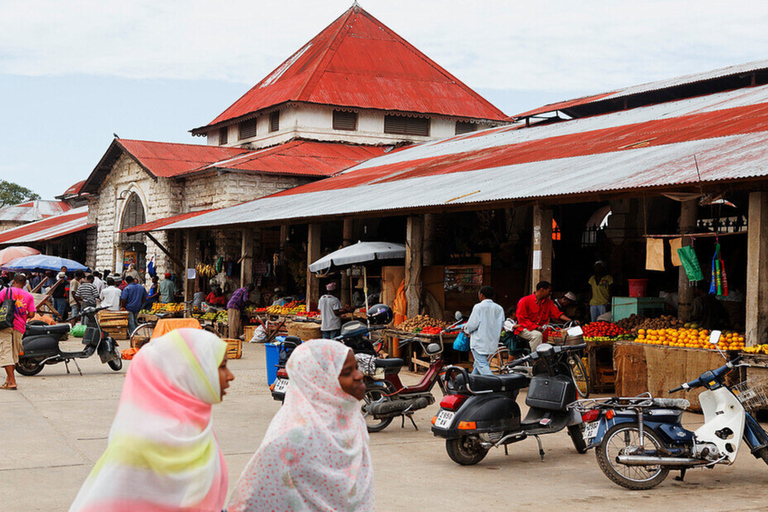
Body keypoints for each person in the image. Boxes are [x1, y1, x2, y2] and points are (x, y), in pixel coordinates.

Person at [69, 328, 234, 512]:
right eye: (222, 366)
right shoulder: (136, 447)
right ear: (188, 373)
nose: (230, 376)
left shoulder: (198, 431)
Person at [228, 339, 372, 512]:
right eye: (347, 372)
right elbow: (252, 499)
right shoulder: (289, 438)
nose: (359, 375)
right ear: (320, 382)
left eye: (356, 368)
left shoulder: (352, 420)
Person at [0, 274, 36, 390]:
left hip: (5, 324)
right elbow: (31, 314)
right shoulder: (29, 296)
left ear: (13, 282)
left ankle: (12, 381)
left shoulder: (5, 291)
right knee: (14, 354)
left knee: (6, 352)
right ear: (25, 284)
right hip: (19, 327)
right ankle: (8, 380)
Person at [516, 281, 573, 352]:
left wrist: (570, 321)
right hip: (525, 328)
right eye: (549, 291)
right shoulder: (524, 301)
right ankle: (536, 359)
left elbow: (557, 314)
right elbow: (522, 320)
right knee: (537, 335)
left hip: (542, 330)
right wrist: (535, 327)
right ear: (542, 289)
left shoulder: (548, 302)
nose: (550, 293)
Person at [463, 286, 505, 376]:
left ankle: (494, 383)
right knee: (477, 365)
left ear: (481, 295)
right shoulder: (499, 308)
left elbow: (472, 325)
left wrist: (466, 329)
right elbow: (501, 324)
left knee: (482, 365)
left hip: (479, 342)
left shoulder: (478, 307)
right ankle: (472, 384)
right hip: (492, 342)